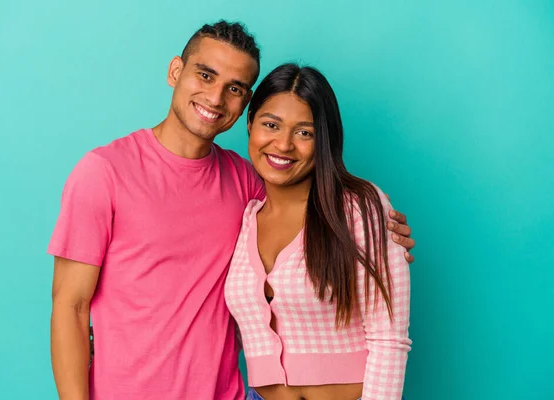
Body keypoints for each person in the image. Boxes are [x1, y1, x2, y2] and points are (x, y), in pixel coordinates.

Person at [48, 21, 415, 400]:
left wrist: (381, 230)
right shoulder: (104, 172)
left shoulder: (248, 183)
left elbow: (315, 214)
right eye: (205, 75)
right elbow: (70, 307)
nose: (215, 97)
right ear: (176, 71)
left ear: (245, 104)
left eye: (235, 88)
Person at [225, 64, 412, 400]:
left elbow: (389, 337)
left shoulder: (360, 208)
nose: (283, 144)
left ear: (324, 139)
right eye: (271, 125)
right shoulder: (245, 217)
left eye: (304, 133)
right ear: (250, 123)